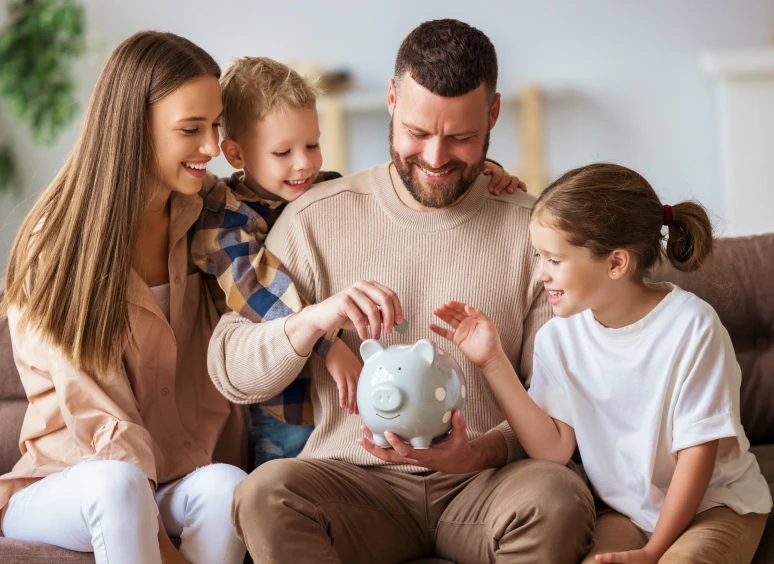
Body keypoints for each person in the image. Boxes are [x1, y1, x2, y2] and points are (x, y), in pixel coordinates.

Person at [208, 19, 595, 564]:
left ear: (493, 115)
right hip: (354, 485)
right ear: (391, 100)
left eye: (460, 138)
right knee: (264, 494)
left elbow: (559, 403)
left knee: (558, 497)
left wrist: (479, 450)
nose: (436, 158)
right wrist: (312, 321)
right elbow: (231, 371)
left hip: (488, 484)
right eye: (417, 132)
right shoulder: (312, 217)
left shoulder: (533, 230)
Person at [432, 163, 772, 564]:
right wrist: (492, 361)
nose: (540, 274)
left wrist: (653, 551)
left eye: (554, 260)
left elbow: (698, 457)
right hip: (629, 511)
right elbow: (553, 449)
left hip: (715, 506)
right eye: (537, 257)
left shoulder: (691, 327)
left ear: (616, 264)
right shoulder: (558, 338)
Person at [192, 56, 521, 467]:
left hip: (338, 405)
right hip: (286, 404)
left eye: (312, 145)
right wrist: (329, 346)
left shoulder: (322, 192)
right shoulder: (225, 221)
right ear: (236, 153)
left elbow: (405, 178)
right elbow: (259, 294)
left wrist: (482, 172)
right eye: (283, 152)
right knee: (285, 476)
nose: (305, 164)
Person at [0, 31, 247, 564]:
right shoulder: (59, 241)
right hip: (68, 480)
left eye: (215, 125)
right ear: (136, 126)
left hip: (171, 475)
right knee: (117, 485)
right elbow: (95, 415)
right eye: (191, 130)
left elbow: (289, 196)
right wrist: (166, 551)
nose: (211, 148)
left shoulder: (206, 211)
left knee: (227, 486)